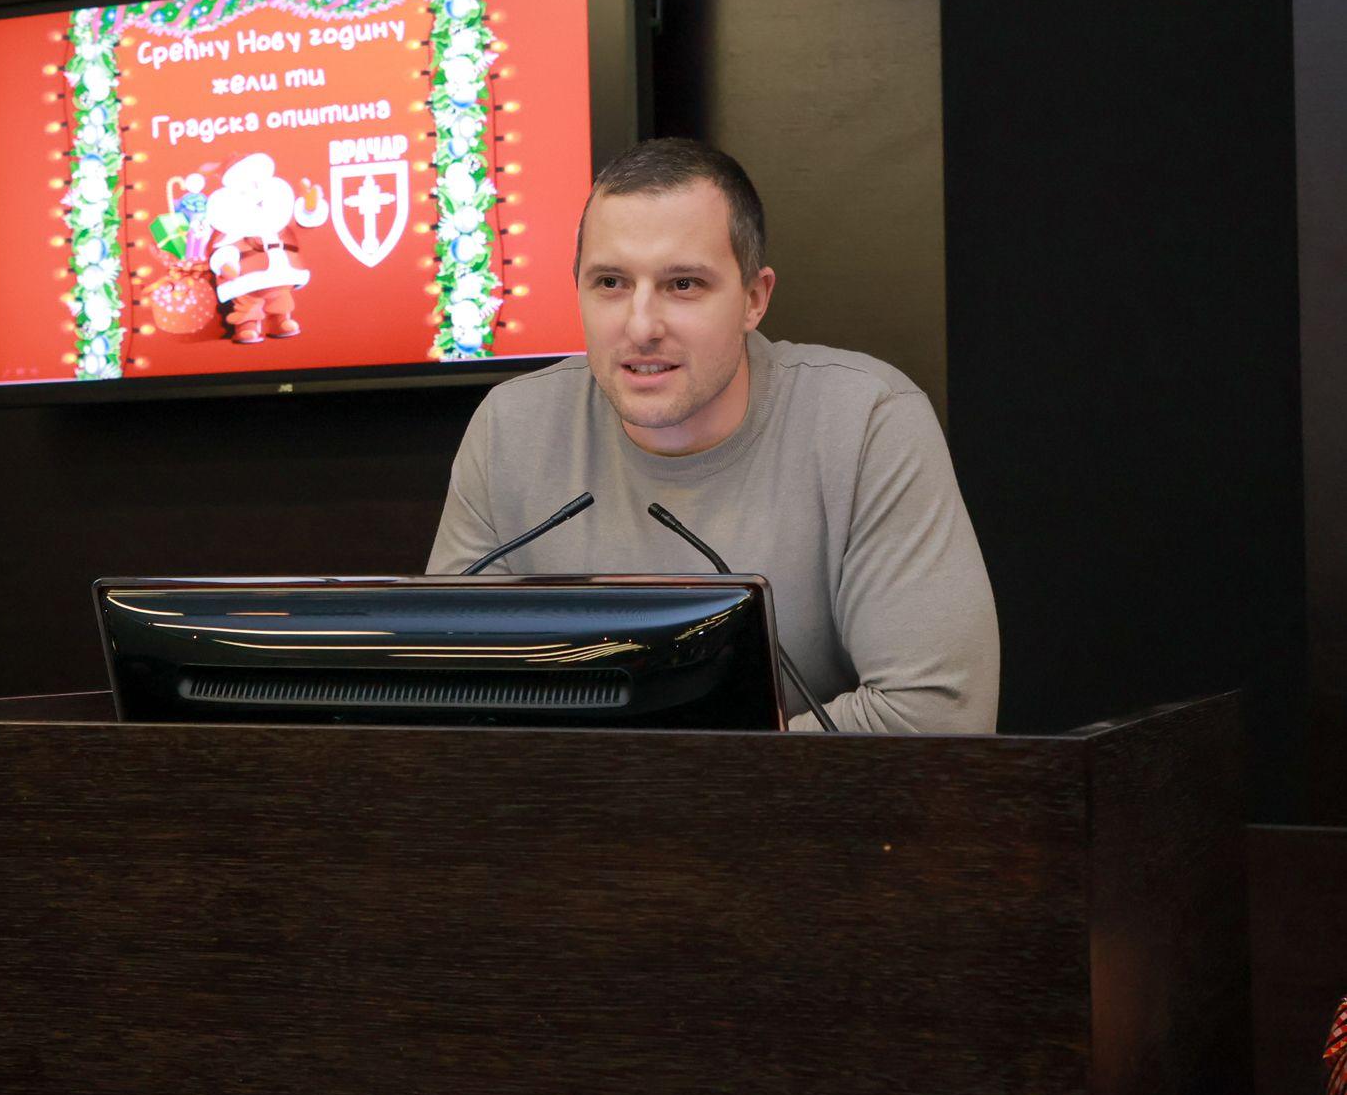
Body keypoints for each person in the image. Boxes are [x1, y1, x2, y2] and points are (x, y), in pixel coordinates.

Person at [425, 138, 999, 732]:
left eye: (683, 285)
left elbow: (935, 717)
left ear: (754, 299)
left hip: (772, 802)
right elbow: (449, 697)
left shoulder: (866, 422)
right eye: (611, 283)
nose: (641, 327)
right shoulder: (509, 429)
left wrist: (669, 774)